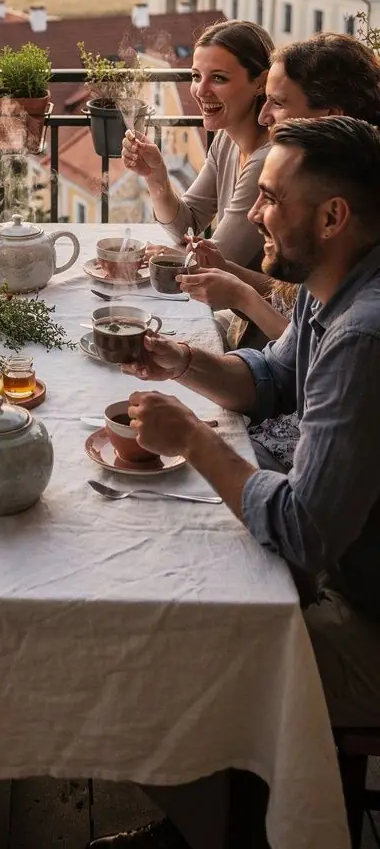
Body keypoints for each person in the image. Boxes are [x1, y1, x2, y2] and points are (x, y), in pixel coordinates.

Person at [124, 117, 380, 727]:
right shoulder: (331, 280)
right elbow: (272, 378)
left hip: (365, 611)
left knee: (152, 658)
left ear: (331, 217)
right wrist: (181, 362)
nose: (256, 214)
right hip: (345, 569)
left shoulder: (362, 337)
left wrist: (192, 439)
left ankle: (236, 824)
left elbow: (302, 530)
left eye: (269, 198)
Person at [179, 33, 380, 466]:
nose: (265, 115)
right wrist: (179, 361)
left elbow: (309, 522)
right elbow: (279, 369)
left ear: (332, 118)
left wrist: (195, 444)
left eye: (279, 103)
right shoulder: (327, 259)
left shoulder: (363, 328)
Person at [121, 20, 273, 271]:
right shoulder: (226, 140)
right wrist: (155, 175)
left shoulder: (267, 161)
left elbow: (219, 261)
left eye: (219, 78)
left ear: (260, 83)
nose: (201, 91)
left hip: (247, 308)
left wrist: (168, 255)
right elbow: (186, 224)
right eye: (195, 76)